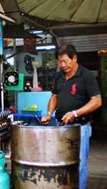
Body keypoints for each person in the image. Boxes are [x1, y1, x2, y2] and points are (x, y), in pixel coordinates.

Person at [41, 44, 102, 189]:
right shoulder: (59, 76)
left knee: (79, 165)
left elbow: (97, 101)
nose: (62, 65)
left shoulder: (86, 75)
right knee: (61, 163)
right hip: (61, 127)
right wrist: (49, 113)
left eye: (65, 61)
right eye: (60, 62)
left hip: (80, 128)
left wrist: (75, 113)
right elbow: (54, 97)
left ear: (74, 58)